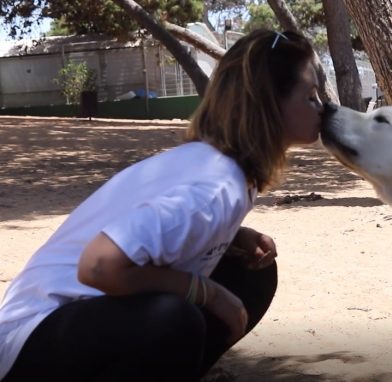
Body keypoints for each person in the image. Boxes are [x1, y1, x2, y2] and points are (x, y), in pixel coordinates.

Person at [0, 29, 323, 382]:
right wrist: (210, 294)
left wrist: (234, 237)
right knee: (174, 319)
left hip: (88, 320)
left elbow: (170, 227)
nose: (320, 106)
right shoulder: (214, 186)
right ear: (269, 104)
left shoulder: (229, 171)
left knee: (251, 272)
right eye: (310, 96)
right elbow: (97, 267)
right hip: (31, 340)